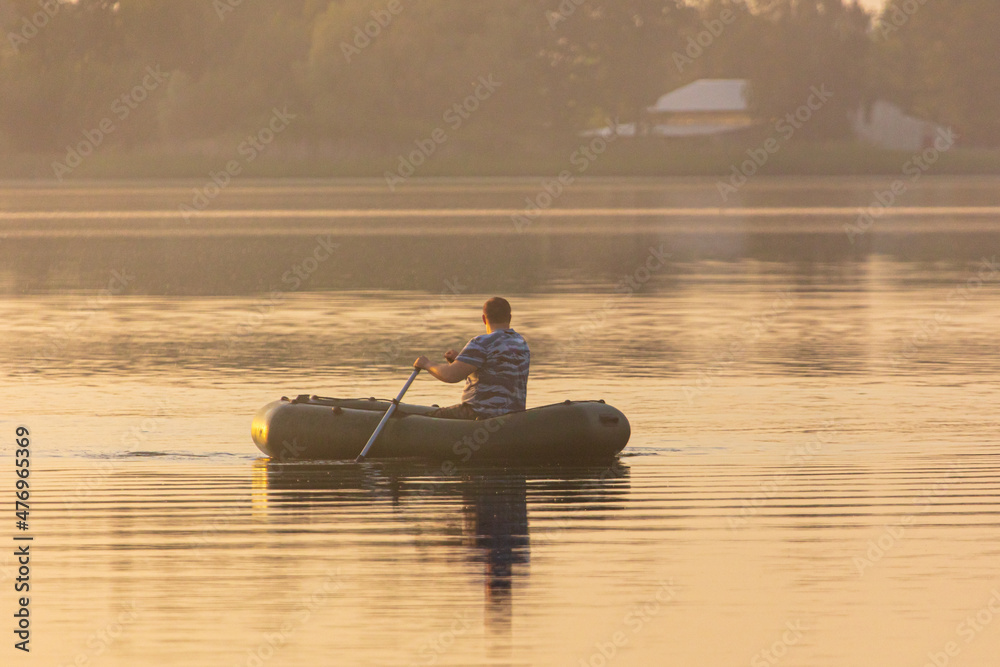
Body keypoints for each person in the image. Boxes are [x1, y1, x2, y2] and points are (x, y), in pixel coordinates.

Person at [414, 297, 530, 420]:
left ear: (484, 319)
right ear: (510, 317)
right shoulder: (521, 343)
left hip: (478, 414)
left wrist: (427, 364)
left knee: (430, 417)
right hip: (512, 417)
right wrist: (462, 361)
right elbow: (497, 373)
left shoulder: (482, 342)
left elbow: (450, 375)